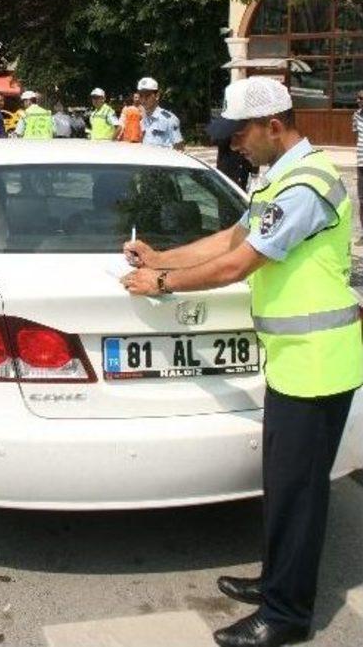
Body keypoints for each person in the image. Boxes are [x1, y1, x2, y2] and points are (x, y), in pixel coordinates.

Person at [120, 77, 363, 647]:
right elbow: (234, 236)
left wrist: (161, 281)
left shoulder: (306, 186)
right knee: (282, 488)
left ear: (274, 125)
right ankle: (276, 582)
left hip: (319, 364)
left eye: (241, 135)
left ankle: (286, 616)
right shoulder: (279, 178)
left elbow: (238, 265)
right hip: (296, 363)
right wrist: (163, 254)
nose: (234, 147)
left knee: (299, 495)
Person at [137, 76, 184, 150]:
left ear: (157, 96)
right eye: (141, 96)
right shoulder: (143, 120)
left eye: (147, 95)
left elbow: (179, 148)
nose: (143, 100)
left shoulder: (169, 119)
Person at [353, 89, 363, 244]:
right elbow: (356, 137)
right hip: (361, 164)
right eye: (358, 98)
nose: (358, 101)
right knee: (362, 200)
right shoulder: (355, 116)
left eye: (361, 98)